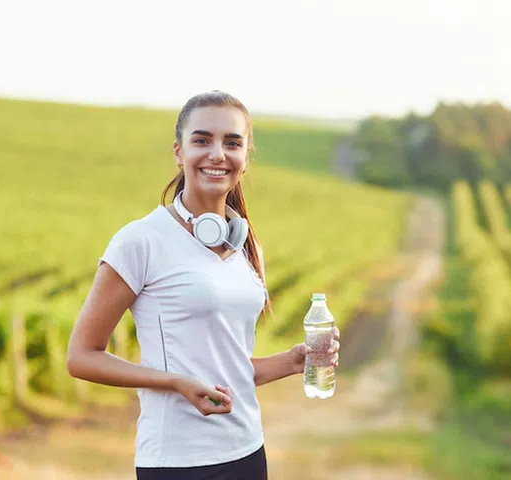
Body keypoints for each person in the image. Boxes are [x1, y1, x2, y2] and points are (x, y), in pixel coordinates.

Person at [65, 90, 341, 480]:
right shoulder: (141, 240)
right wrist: (176, 382)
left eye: (232, 143)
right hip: (177, 463)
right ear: (179, 152)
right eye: (202, 140)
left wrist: (291, 362)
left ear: (246, 158)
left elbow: (226, 367)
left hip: (247, 451)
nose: (217, 154)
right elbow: (81, 357)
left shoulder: (247, 245)